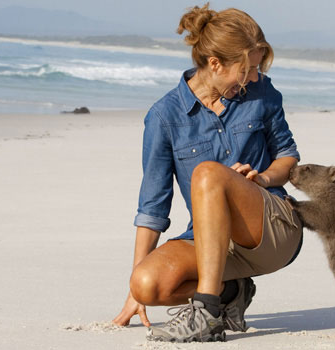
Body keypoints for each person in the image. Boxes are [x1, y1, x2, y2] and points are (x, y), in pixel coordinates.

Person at [111, 3, 303, 342]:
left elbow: (287, 158)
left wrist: (262, 179)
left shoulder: (262, 93)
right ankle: (231, 293)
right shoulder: (164, 117)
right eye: (246, 70)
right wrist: (134, 289)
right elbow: (152, 206)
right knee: (147, 285)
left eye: (256, 70)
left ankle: (207, 313)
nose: (253, 78)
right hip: (209, 242)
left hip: (272, 230)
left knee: (208, 174)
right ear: (215, 64)